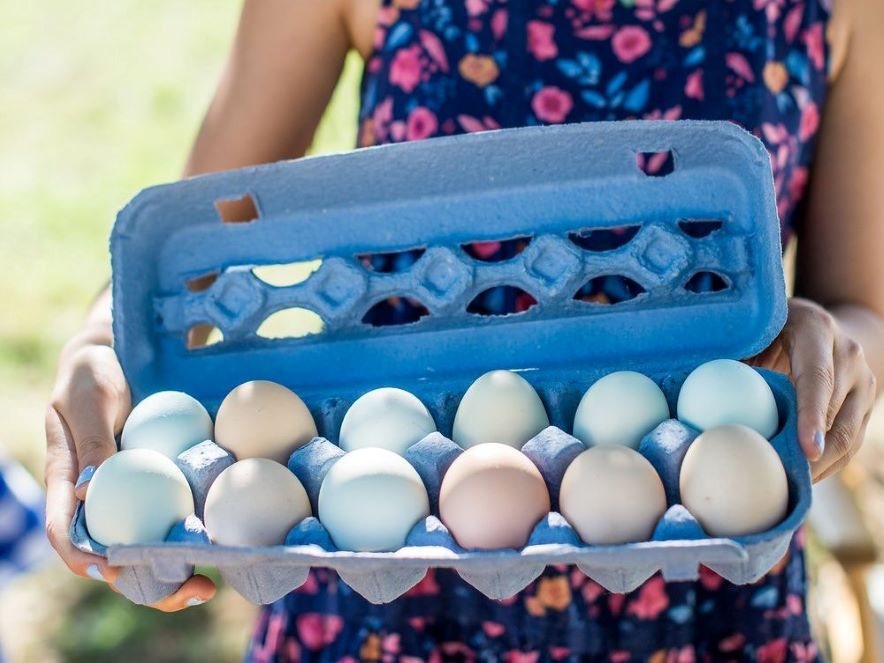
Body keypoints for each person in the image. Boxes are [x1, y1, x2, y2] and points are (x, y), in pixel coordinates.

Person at [45, 0, 884, 659]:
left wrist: (839, 345)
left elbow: (861, 306)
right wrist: (98, 347)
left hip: (705, 578)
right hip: (384, 578)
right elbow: (190, 258)